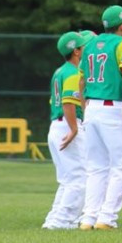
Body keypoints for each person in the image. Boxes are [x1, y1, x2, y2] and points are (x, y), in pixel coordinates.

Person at [78, 4, 122, 230]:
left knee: (96, 167)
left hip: (92, 107)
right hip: (112, 107)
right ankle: (106, 218)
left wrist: (85, 109)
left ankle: (88, 218)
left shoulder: (90, 45)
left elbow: (82, 81)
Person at [43, 31, 90, 230]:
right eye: (84, 46)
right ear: (77, 51)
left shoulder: (60, 71)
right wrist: (74, 129)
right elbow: (68, 103)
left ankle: (54, 219)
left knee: (67, 179)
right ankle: (63, 221)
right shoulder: (72, 72)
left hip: (57, 126)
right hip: (67, 124)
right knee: (79, 177)